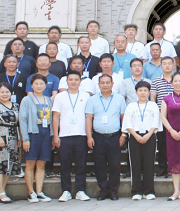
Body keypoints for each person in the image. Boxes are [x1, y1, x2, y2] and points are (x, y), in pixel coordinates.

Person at [85, 74, 127, 201]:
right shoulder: (92, 100)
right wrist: (89, 136)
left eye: (107, 82)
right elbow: (89, 118)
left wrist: (123, 134)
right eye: (102, 83)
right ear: (98, 85)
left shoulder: (119, 99)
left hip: (114, 136)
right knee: (100, 165)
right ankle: (103, 190)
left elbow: (123, 118)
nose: (105, 85)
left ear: (112, 84)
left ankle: (113, 190)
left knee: (115, 165)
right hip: (98, 137)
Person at [52, 70, 91, 202]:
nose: (73, 82)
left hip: (81, 134)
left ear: (80, 82)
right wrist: (56, 135)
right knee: (65, 165)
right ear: (67, 81)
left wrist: (89, 136)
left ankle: (80, 190)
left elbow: (89, 117)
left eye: (76, 79)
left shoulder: (86, 96)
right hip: (64, 135)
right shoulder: (60, 97)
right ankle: (66, 191)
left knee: (81, 165)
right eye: (71, 80)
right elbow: (55, 117)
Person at [122, 81, 161, 200]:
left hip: (150, 135)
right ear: (136, 92)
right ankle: (136, 191)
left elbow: (156, 122)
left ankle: (149, 191)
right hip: (134, 136)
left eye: (145, 90)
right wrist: (135, 135)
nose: (143, 93)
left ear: (149, 92)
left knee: (149, 163)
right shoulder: (131, 106)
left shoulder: (153, 106)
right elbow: (127, 123)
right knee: (135, 164)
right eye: (140, 90)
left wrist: (148, 135)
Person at [19, 74, 53, 203]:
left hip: (45, 132)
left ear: (45, 86)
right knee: (30, 163)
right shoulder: (27, 100)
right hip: (33, 132)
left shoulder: (48, 100)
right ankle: (30, 192)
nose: (39, 86)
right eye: (36, 84)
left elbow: (51, 119)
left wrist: (52, 135)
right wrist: (25, 138)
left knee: (41, 163)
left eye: (41, 84)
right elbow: (22, 119)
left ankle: (39, 191)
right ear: (32, 86)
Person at [150, 57, 176, 176]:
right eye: (164, 64)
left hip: (176, 116)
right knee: (162, 143)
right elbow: (152, 98)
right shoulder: (156, 81)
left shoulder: (178, 79)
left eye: (169, 63)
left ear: (173, 65)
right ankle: (162, 167)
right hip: (162, 116)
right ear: (161, 66)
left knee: (175, 143)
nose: (167, 66)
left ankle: (174, 166)